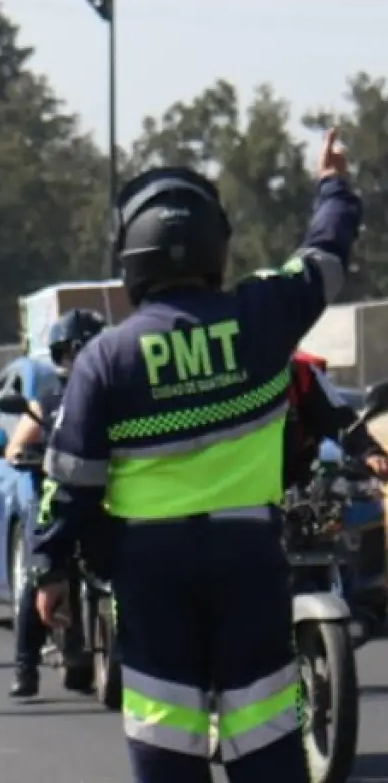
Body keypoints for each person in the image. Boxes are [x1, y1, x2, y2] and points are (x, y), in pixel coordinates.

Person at [29, 129, 362, 783]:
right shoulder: (264, 315)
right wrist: (333, 185)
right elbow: (325, 254)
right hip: (249, 558)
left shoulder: (106, 358)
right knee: (265, 736)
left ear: (132, 257)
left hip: (151, 573)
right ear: (217, 246)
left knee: (167, 743)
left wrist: (49, 566)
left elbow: (69, 480)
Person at [3, 307, 106, 698]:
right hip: (54, 499)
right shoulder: (49, 399)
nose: (75, 359)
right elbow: (16, 445)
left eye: (83, 349)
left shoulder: (113, 391)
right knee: (37, 573)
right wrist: (22, 455)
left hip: (104, 498)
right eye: (68, 351)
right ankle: (25, 668)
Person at [286, 349, 388, 488]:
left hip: (295, 489)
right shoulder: (248, 382)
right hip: (251, 492)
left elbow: (340, 418)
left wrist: (369, 452)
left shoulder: (303, 373)